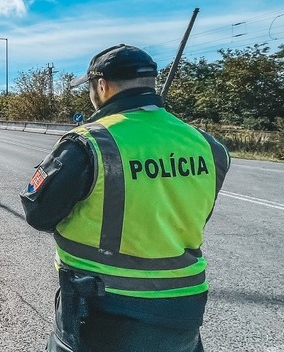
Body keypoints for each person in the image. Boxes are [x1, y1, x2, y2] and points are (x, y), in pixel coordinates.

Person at [20, 44, 230, 352]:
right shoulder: (208, 146)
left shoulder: (89, 142)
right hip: (183, 311)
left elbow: (38, 213)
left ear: (101, 86)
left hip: (100, 310)